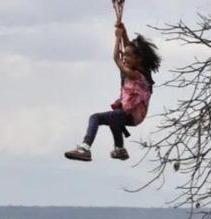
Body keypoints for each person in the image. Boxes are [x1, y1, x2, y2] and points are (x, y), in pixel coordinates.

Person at [64, 22, 162, 162]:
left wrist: (117, 38)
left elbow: (116, 58)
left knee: (95, 118)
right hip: (132, 114)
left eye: (127, 56)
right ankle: (119, 149)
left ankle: (85, 148)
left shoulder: (134, 75)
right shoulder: (142, 69)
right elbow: (130, 49)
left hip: (130, 115)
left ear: (138, 59)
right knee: (113, 120)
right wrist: (124, 33)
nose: (124, 57)